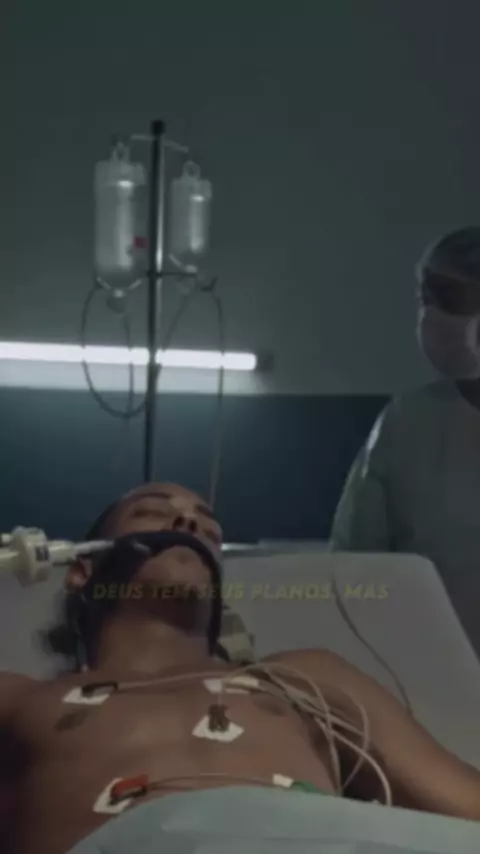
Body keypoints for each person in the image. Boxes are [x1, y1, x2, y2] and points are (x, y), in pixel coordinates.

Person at [0, 483, 479, 854]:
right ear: (81, 569)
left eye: (209, 529)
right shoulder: (21, 700)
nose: (189, 522)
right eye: (150, 512)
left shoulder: (302, 679)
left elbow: (468, 807)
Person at [330, 227, 480, 657]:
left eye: (449, 298)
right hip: (426, 672)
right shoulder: (409, 422)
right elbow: (354, 564)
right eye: (425, 298)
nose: (433, 314)